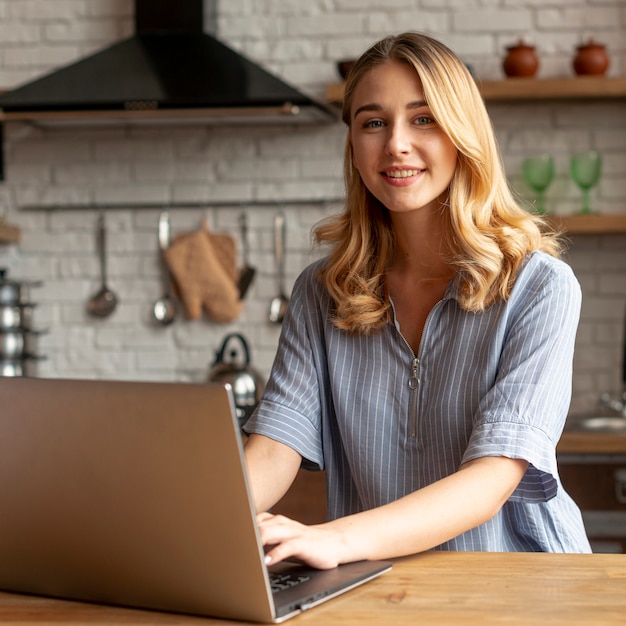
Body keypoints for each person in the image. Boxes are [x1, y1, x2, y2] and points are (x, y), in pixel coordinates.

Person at [243, 31, 591, 569]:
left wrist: (333, 539)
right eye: (373, 122)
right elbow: (274, 448)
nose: (396, 144)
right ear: (354, 144)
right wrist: (193, 520)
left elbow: (493, 477)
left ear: (463, 134)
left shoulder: (540, 287)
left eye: (423, 118)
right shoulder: (321, 292)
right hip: (375, 582)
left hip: (523, 584)